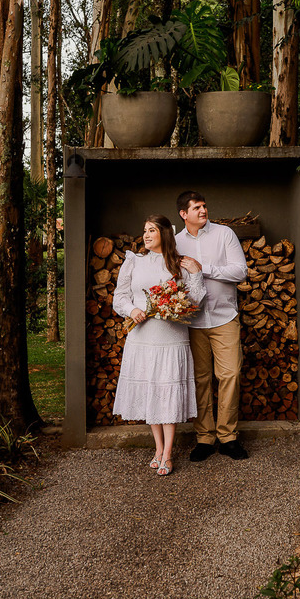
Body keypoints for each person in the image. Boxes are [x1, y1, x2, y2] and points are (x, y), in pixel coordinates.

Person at [112, 214, 206, 476]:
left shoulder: (178, 264)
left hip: (171, 339)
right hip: (142, 338)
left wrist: (196, 274)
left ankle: (167, 454)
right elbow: (120, 297)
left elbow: (195, 302)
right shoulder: (134, 262)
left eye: (152, 230)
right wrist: (131, 310)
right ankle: (157, 448)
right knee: (152, 394)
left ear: (165, 233)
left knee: (167, 393)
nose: (146, 235)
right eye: (144, 230)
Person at [174, 191, 250, 461]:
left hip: (224, 318)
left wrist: (202, 268)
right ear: (184, 214)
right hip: (192, 322)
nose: (203, 211)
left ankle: (228, 437)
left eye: (204, 206)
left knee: (230, 375)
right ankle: (205, 438)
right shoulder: (175, 242)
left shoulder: (224, 235)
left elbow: (240, 272)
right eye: (196, 207)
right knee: (200, 380)